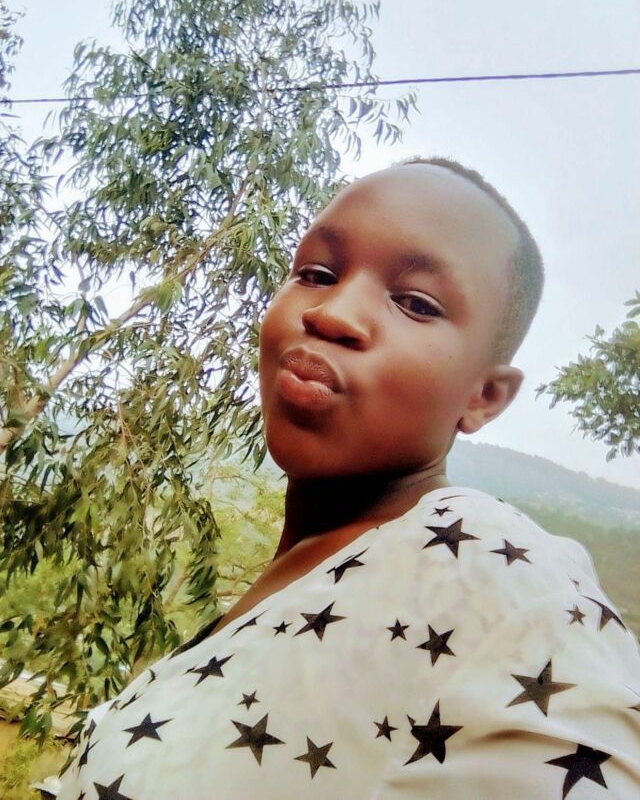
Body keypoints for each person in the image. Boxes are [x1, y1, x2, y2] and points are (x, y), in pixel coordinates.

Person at [57, 157, 640, 798]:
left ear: (484, 395)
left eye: (415, 303)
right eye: (316, 274)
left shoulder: (500, 576)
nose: (331, 313)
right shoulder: (303, 583)